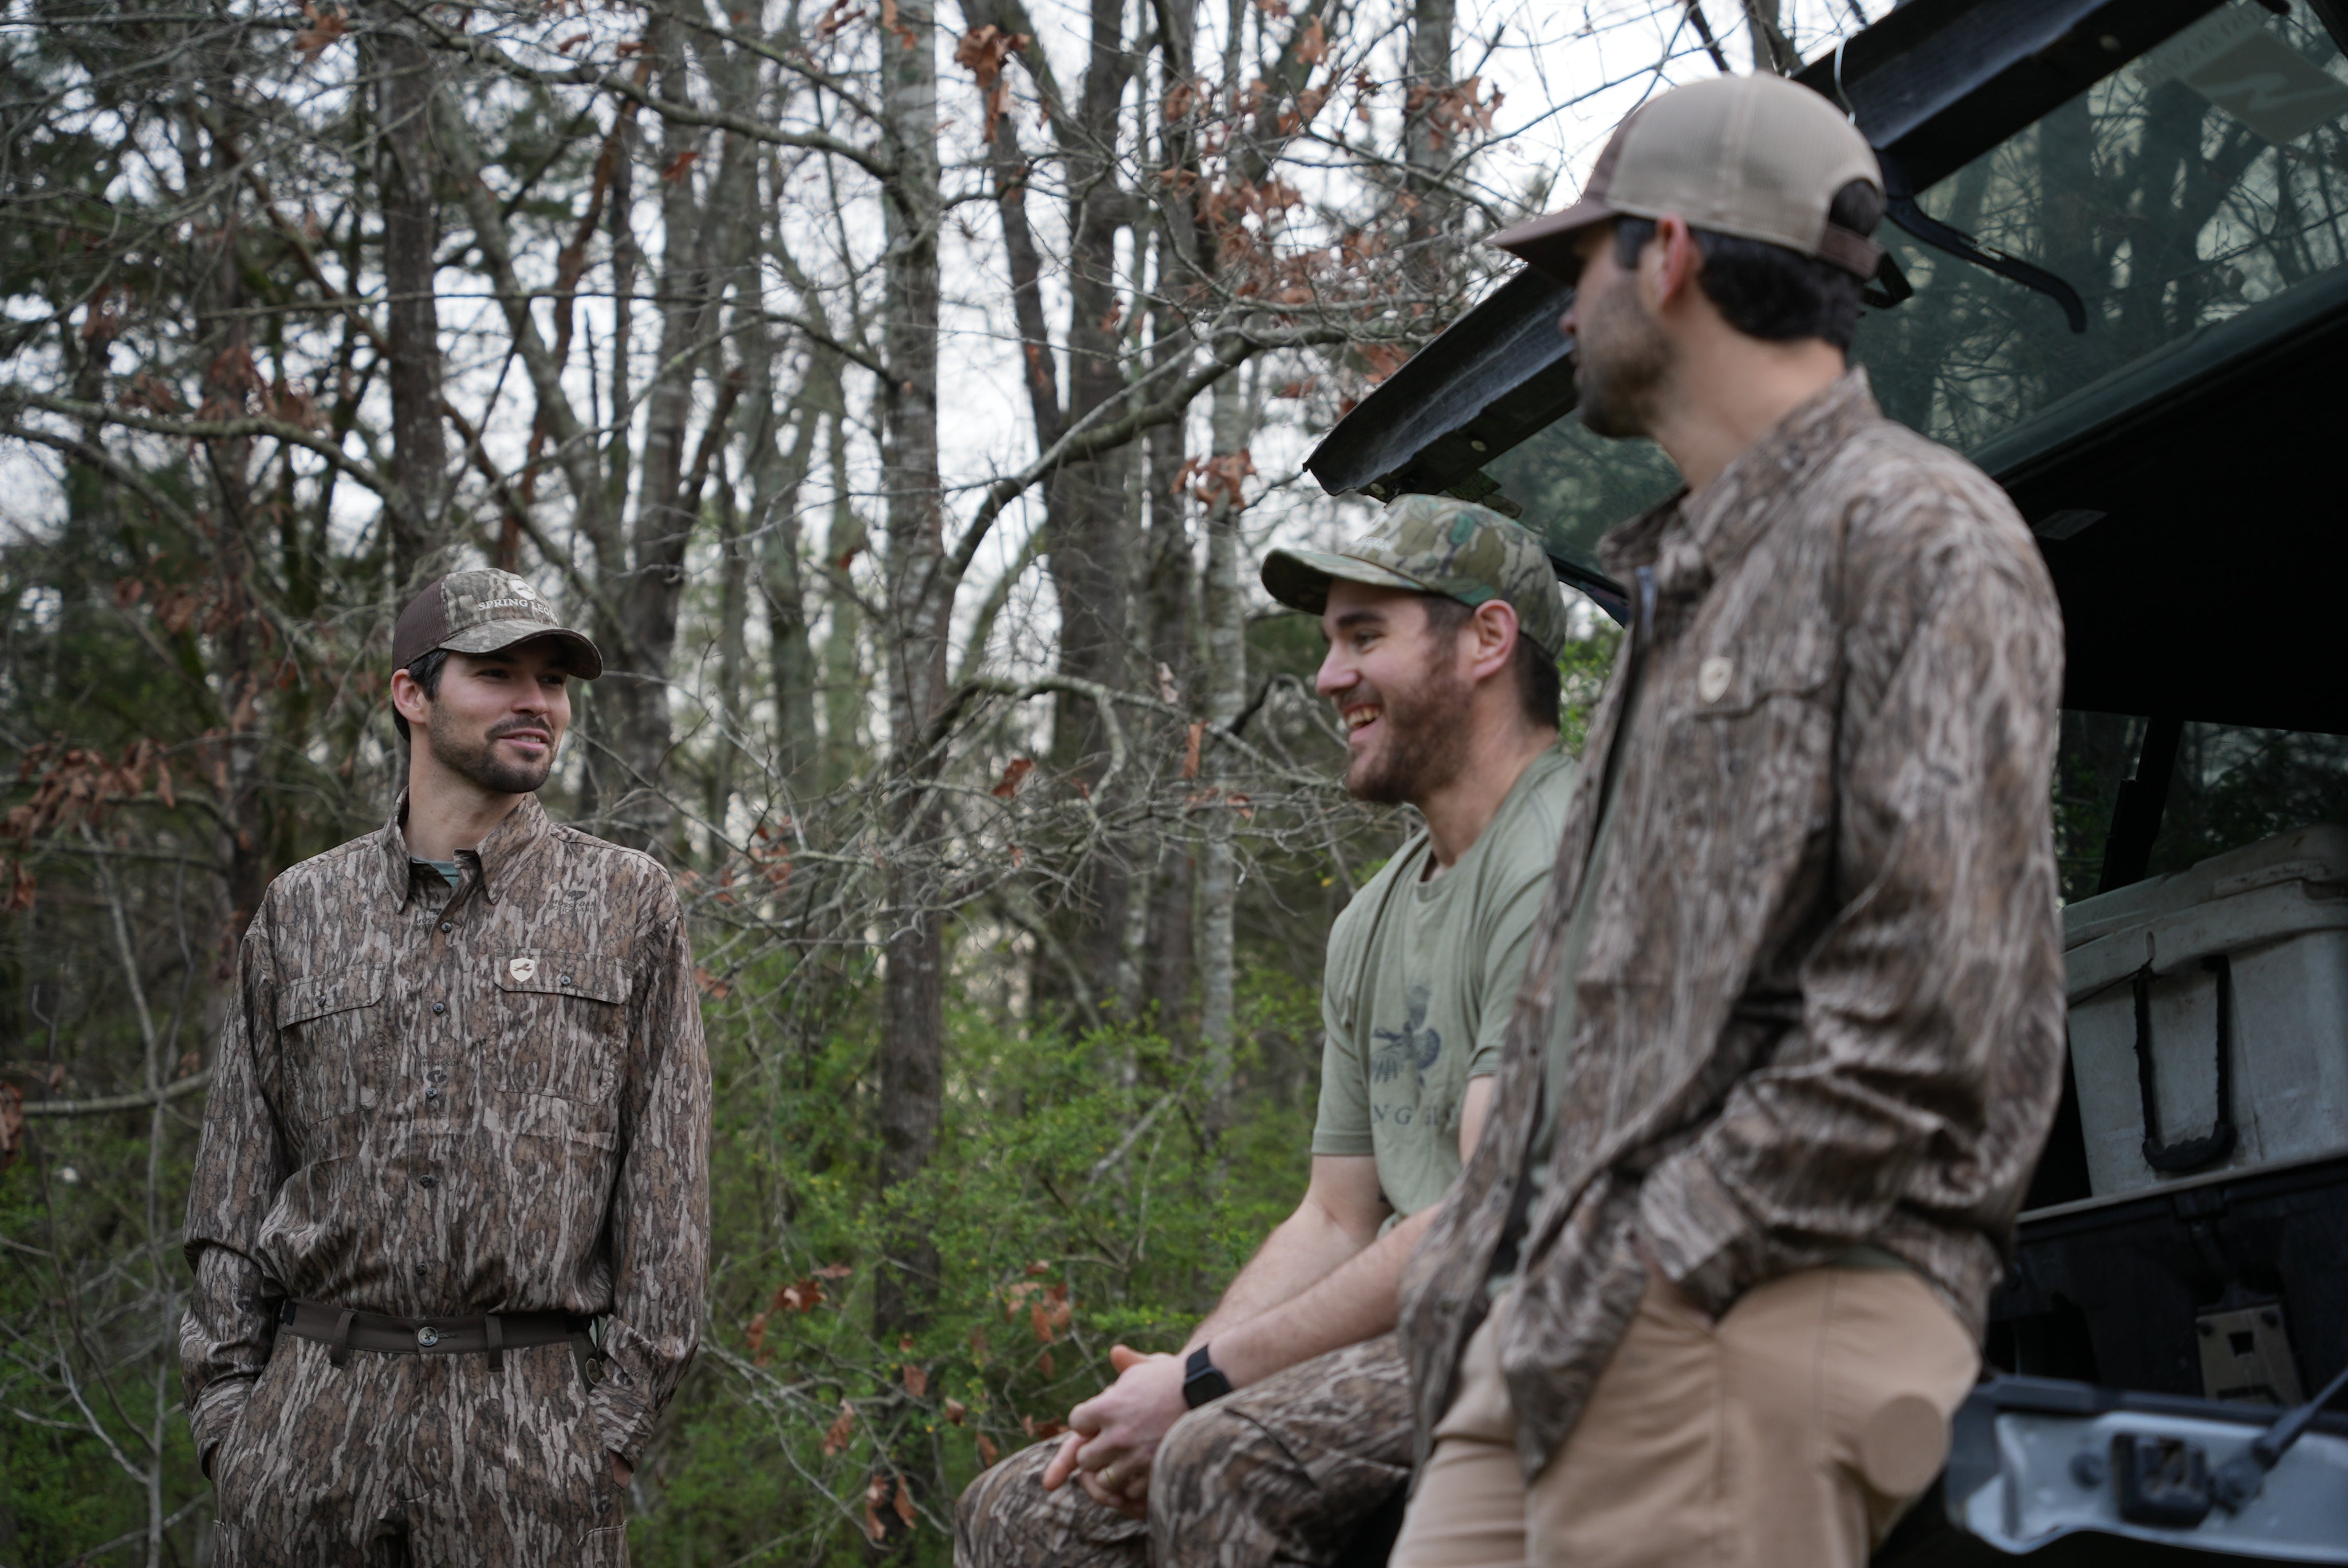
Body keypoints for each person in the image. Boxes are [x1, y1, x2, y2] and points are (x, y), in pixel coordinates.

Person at [1389, 73, 2067, 1568]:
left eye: (1581, 267)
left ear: (1672, 253)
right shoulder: (1671, 596)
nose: (1565, 314)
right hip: (1562, 1322)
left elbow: (1927, 1001)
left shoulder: (1914, 532)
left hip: (1743, 1303)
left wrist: (1663, 1255)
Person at [956, 500, 1575, 1568]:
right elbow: (1336, 1216)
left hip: (1539, 1321)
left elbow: (1492, 1213)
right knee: (1024, 1508)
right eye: (1330, 642)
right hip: (1404, 1329)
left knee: (1217, 1464)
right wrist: (1164, 1388)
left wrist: (1202, 1391)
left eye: (1365, 636)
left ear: (1487, 639)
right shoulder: (1370, 918)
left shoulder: (1571, 852)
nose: (1330, 677)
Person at [180, 569, 711, 1566]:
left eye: (552, 680)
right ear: (411, 695)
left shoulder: (626, 903)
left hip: (533, 1438)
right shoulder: (302, 912)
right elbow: (232, 1192)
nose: (537, 702)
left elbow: (670, 1196)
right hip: (310, 1430)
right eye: (498, 672)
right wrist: (232, 1426)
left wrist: (609, 1436)